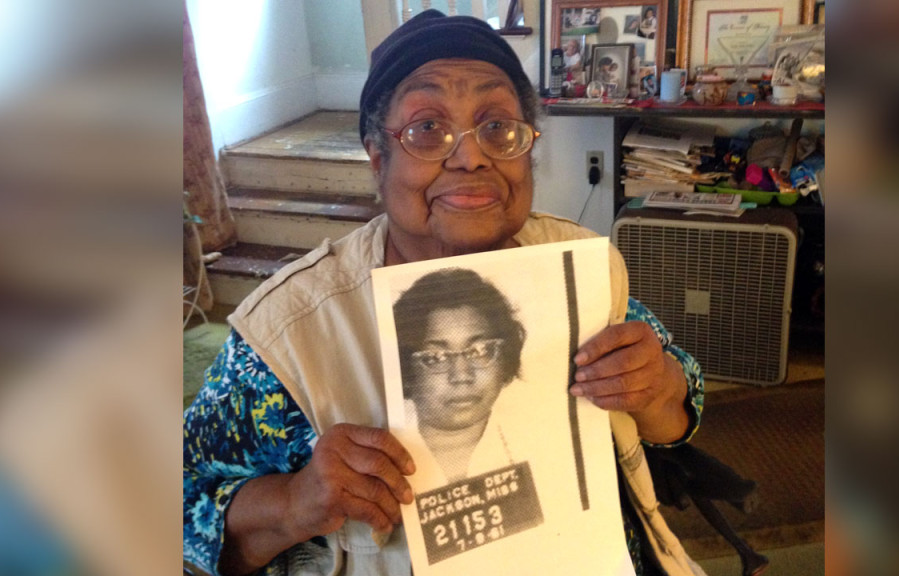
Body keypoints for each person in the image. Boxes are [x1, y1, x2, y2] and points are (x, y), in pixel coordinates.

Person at [183, 9, 705, 576]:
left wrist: (657, 389)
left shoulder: (582, 269)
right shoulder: (287, 336)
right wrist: (293, 504)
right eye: (427, 128)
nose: (471, 155)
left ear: (527, 148)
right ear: (377, 157)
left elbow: (679, 412)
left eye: (497, 126)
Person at [393, 268, 525, 483]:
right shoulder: (381, 448)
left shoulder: (542, 441)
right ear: (407, 370)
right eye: (436, 357)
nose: (462, 375)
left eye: (479, 351)